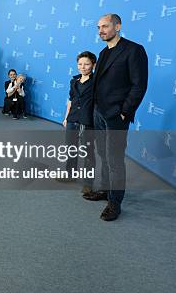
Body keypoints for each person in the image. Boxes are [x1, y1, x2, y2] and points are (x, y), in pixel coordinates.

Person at [87, 13, 148, 221]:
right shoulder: (103, 53)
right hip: (99, 113)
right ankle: (105, 190)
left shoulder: (134, 50)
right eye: (98, 27)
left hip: (116, 116)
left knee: (114, 160)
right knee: (103, 155)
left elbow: (139, 85)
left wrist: (124, 112)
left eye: (104, 26)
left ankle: (115, 202)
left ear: (118, 26)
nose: (100, 31)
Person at [59, 51, 97, 193]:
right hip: (72, 118)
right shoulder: (73, 81)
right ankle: (70, 174)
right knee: (70, 148)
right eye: (80, 64)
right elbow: (71, 100)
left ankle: (88, 183)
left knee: (87, 152)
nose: (83, 67)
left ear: (93, 65)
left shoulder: (96, 81)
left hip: (88, 120)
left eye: (86, 64)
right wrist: (66, 117)